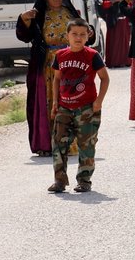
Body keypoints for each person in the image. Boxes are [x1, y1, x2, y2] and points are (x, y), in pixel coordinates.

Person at [16, 0, 84, 156]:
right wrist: (24, 19)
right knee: (51, 103)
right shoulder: (38, 16)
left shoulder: (70, 13)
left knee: (71, 103)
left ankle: (71, 143)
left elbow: (85, 34)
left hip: (72, 65)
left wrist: (88, 31)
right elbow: (23, 36)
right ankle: (48, 143)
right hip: (48, 67)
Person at [47, 18, 109, 193]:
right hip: (64, 108)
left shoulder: (92, 55)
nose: (78, 38)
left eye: (82, 34)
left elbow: (105, 78)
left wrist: (99, 101)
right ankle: (59, 180)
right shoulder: (60, 56)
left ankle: (84, 180)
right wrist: (55, 103)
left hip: (87, 108)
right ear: (67, 35)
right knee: (59, 143)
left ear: (88, 36)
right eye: (74, 34)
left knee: (86, 145)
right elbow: (57, 79)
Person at [100, 0, 132, 68]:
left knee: (124, 41)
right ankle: (115, 62)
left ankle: (125, 60)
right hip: (114, 22)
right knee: (115, 42)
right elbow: (104, 4)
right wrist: (114, 1)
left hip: (123, 21)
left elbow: (129, 5)